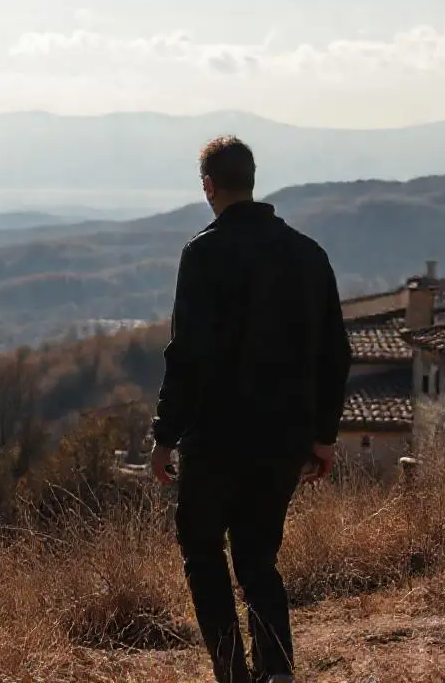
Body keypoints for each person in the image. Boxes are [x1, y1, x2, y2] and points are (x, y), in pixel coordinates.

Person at [147, 136, 352, 683]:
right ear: (253, 181)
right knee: (258, 559)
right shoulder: (309, 254)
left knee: (202, 551)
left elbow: (186, 355)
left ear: (208, 186)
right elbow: (336, 353)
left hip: (215, 437)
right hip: (284, 438)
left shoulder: (203, 253)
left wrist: (164, 436)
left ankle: (233, 673)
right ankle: (277, 671)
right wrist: (323, 436)